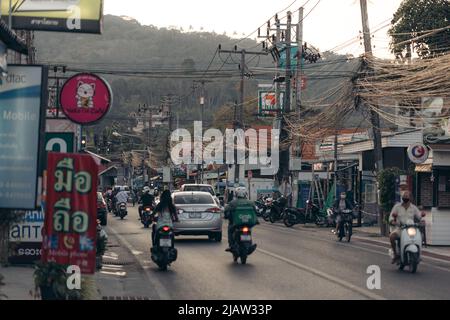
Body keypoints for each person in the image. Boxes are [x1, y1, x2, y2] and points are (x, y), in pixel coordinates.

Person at [389, 191, 424, 264]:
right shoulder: (397, 206)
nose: (405, 198)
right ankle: (395, 254)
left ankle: (419, 255)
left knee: (421, 237)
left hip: (411, 229)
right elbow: (391, 217)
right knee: (392, 236)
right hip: (400, 228)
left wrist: (422, 221)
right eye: (404, 196)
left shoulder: (413, 208)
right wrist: (393, 221)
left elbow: (419, 216)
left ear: (410, 198)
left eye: (407, 196)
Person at [224, 187, 258, 252]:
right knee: (249, 231)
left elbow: (226, 210)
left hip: (236, 223)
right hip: (248, 223)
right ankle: (249, 244)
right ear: (246, 194)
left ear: (236, 194)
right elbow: (255, 211)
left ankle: (231, 245)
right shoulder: (250, 202)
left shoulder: (233, 202)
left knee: (230, 230)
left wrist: (226, 216)